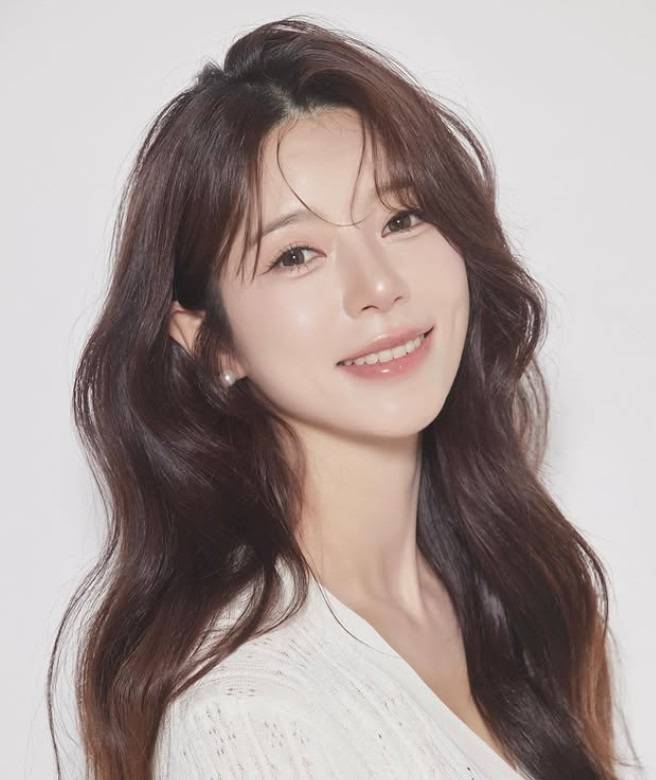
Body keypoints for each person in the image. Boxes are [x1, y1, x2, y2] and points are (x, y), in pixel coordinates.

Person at [48, 15, 642, 780]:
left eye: (402, 217)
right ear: (213, 343)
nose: (379, 286)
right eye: (297, 254)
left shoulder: (524, 596)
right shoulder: (250, 716)